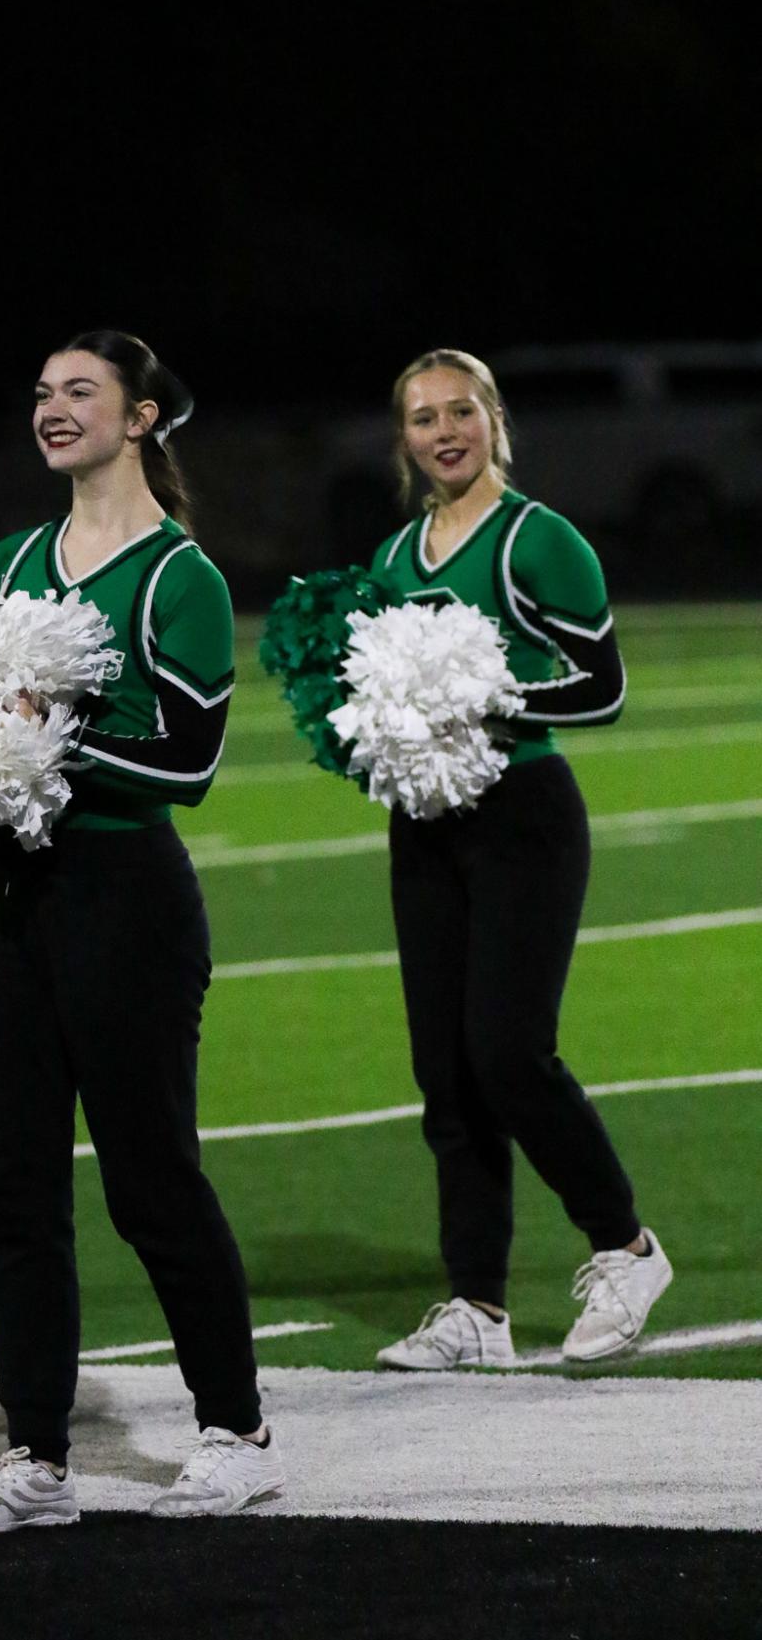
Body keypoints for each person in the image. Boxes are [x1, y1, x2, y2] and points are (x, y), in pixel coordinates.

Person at [0, 329, 283, 1531]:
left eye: (79, 391)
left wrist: (43, 737)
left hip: (122, 900)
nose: (51, 408)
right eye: (39, 392)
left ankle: (234, 1430)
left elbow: (186, 762)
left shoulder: (176, 575)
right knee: (13, 1196)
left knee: (150, 1182)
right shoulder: (6, 557)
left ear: (139, 419)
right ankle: (36, 1457)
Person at [366, 348, 671, 1370]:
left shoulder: (539, 542)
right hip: (423, 823)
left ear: (491, 420)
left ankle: (624, 1247)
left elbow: (600, 689)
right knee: (444, 1075)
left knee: (506, 1051)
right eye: (421, 418)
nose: (441, 432)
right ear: (401, 437)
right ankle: (475, 1310)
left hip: (522, 818)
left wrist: (490, 703)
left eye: (459, 411)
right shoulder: (393, 557)